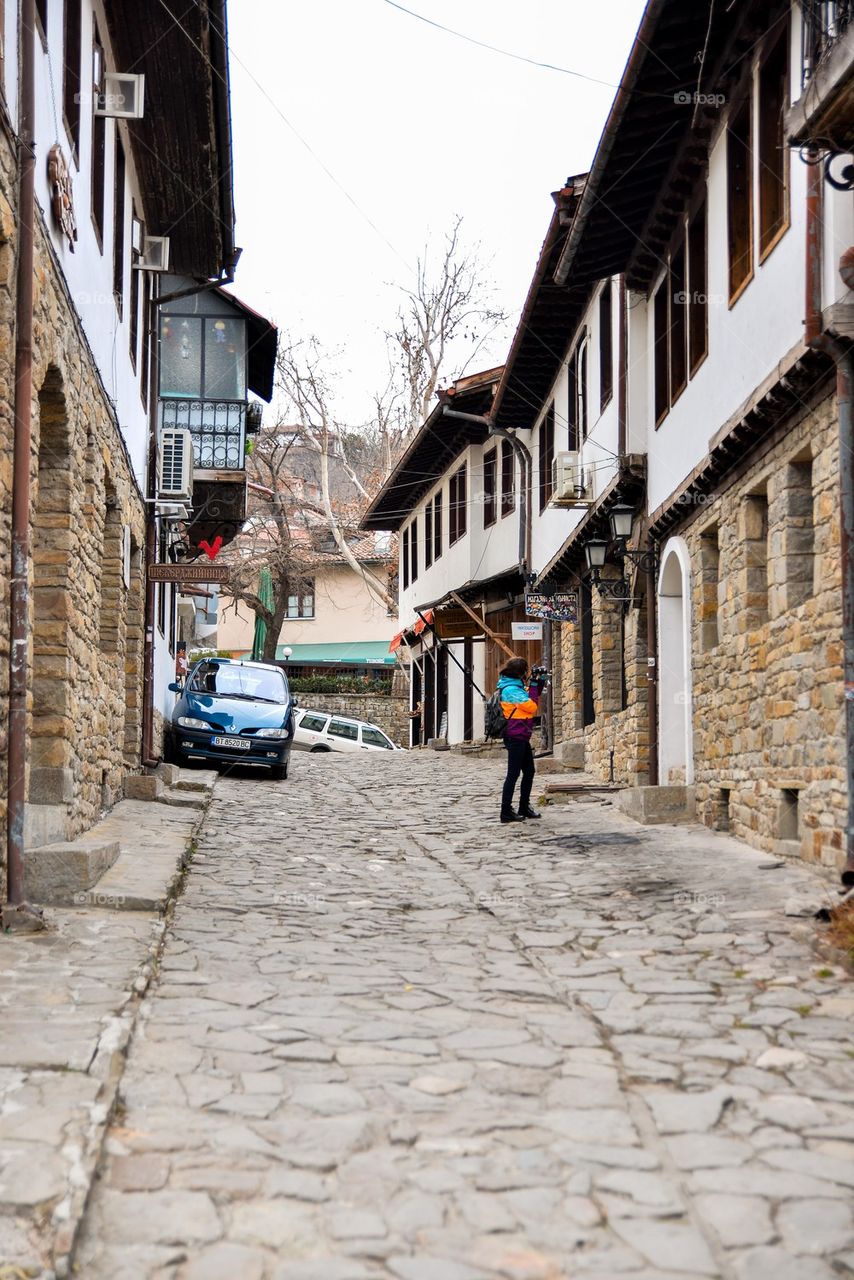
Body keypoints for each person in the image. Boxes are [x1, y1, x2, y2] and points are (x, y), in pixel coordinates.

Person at [496, 656, 545, 823]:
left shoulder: (515, 686)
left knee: (529, 771)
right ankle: (505, 811)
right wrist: (533, 685)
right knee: (513, 774)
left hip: (521, 735)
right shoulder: (511, 690)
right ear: (521, 672)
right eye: (526, 671)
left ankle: (524, 806)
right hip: (515, 735)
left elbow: (532, 695)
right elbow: (531, 706)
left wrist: (539, 681)